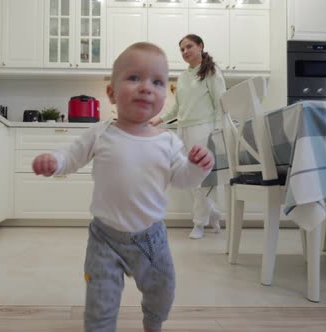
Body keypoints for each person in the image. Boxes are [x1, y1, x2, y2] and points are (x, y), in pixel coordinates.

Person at [32, 42, 214, 332]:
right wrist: (54, 160)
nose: (146, 87)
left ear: (165, 95)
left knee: (162, 292)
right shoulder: (100, 133)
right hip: (104, 239)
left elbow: (182, 179)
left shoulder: (167, 141)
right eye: (134, 78)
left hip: (151, 240)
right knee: (100, 303)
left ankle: (153, 324)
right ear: (111, 93)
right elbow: (71, 157)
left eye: (157, 82)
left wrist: (197, 167)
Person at [150, 34, 226, 240]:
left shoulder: (210, 72)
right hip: (183, 131)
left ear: (201, 46)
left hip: (204, 129)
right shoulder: (183, 77)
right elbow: (178, 108)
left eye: (189, 47)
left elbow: (221, 103)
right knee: (192, 179)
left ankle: (199, 223)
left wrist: (219, 131)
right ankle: (214, 214)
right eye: (182, 49)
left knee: (201, 179)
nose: (185, 52)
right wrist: (159, 119)